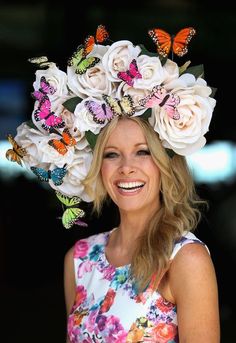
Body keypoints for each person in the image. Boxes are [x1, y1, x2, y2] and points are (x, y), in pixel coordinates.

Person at [6, 24, 220, 342]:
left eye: (143, 152)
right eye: (111, 155)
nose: (126, 168)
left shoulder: (185, 260)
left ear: (165, 165)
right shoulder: (78, 259)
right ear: (98, 166)